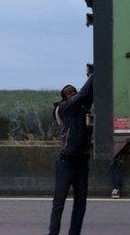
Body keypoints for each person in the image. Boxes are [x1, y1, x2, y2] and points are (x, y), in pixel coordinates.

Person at [48, 74, 94, 235]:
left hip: (82, 163)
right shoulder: (64, 109)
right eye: (69, 93)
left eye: (73, 91)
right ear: (64, 99)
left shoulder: (82, 108)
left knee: (80, 204)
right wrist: (95, 74)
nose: (73, 94)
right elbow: (83, 94)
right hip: (65, 163)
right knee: (59, 203)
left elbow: (88, 93)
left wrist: (92, 76)